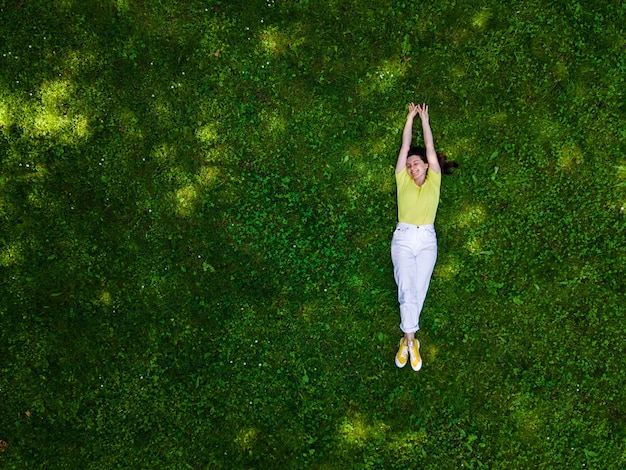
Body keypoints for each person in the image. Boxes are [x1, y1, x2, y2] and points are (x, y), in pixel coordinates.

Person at [392, 102, 457, 371]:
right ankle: (410, 341)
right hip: (404, 238)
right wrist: (409, 120)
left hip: (427, 241)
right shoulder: (402, 180)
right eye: (409, 165)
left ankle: (409, 342)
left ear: (426, 166)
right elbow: (404, 147)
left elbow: (429, 149)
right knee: (407, 291)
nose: (411, 167)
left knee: (418, 291)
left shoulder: (434, 180)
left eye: (416, 164)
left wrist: (424, 121)